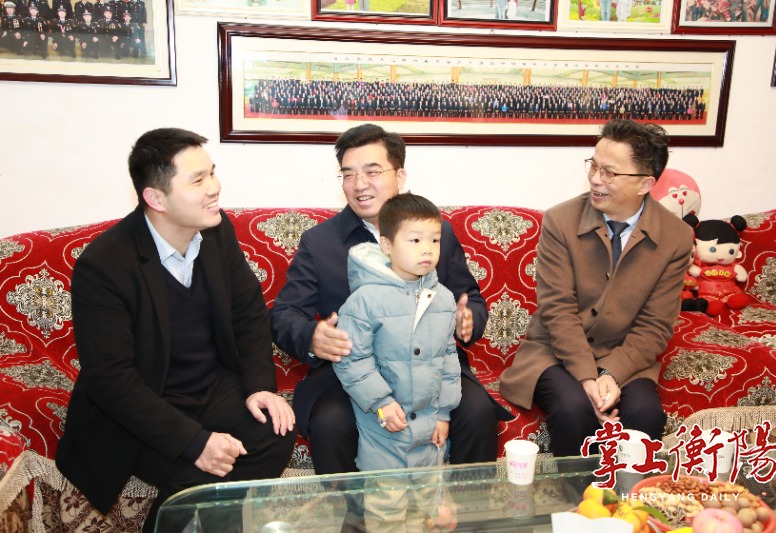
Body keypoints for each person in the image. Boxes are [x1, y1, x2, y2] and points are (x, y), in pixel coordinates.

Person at [55, 128, 297, 533]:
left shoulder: (217, 232)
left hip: (208, 387)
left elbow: (249, 313)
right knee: (199, 469)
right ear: (156, 198)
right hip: (141, 405)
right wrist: (195, 443)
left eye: (212, 173)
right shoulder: (104, 264)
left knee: (274, 430)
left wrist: (259, 386)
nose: (215, 187)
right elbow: (111, 379)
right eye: (198, 180)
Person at [271, 123, 512, 478]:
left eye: (372, 171)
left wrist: (469, 319)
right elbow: (284, 315)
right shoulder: (320, 242)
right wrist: (312, 336)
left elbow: (470, 297)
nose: (359, 184)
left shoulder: (435, 232)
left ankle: (466, 507)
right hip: (353, 372)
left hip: (430, 366)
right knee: (331, 424)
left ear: (399, 175)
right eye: (348, 174)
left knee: (477, 412)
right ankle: (352, 511)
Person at [499, 119, 694, 457]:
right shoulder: (561, 221)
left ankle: (629, 492)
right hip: (555, 351)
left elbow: (656, 324)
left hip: (625, 356)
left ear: (645, 184)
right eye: (594, 166)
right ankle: (575, 492)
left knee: (645, 414)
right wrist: (589, 378)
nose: (595, 179)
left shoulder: (676, 237)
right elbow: (557, 308)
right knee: (573, 408)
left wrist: (612, 374)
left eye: (610, 172)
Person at [334, 193, 461, 531]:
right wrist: (380, 402)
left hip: (429, 433)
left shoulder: (443, 299)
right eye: (415, 240)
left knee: (425, 510)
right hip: (384, 431)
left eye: (435, 240)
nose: (427, 250)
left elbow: (449, 359)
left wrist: (444, 413)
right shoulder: (364, 300)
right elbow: (351, 359)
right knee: (387, 511)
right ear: (386, 245)